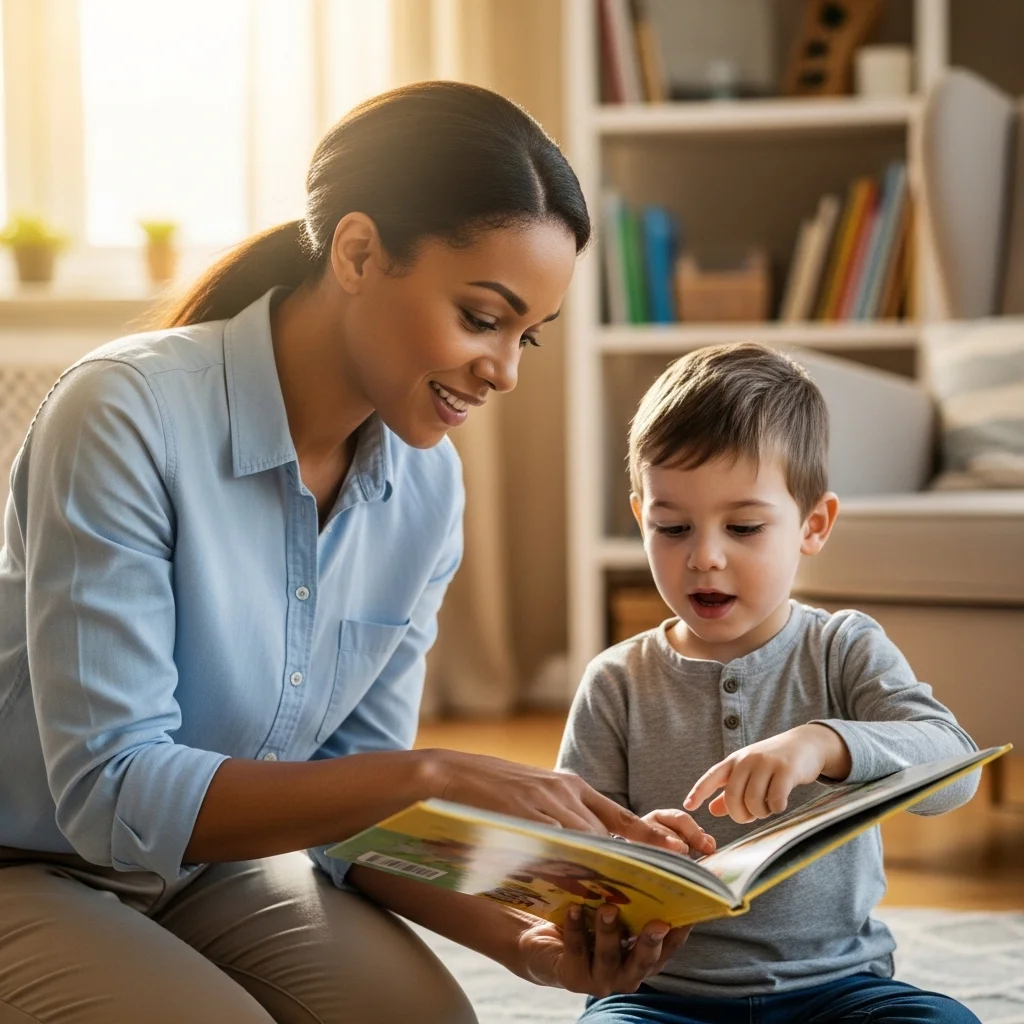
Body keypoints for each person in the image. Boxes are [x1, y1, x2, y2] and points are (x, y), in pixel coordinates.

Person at [0, 82, 693, 1024]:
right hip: (27, 861)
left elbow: (356, 807)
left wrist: (527, 943)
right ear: (361, 252)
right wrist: (436, 772)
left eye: (527, 334)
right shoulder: (125, 413)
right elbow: (111, 791)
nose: (506, 370)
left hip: (210, 870)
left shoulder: (426, 485)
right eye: (483, 318)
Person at [557, 343, 982, 1024]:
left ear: (813, 525)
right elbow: (574, 855)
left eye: (745, 526)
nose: (705, 556)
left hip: (840, 990)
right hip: (664, 1000)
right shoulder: (615, 681)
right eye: (672, 527)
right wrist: (631, 848)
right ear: (641, 519)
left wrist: (825, 745)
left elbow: (956, 773)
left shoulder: (843, 647)